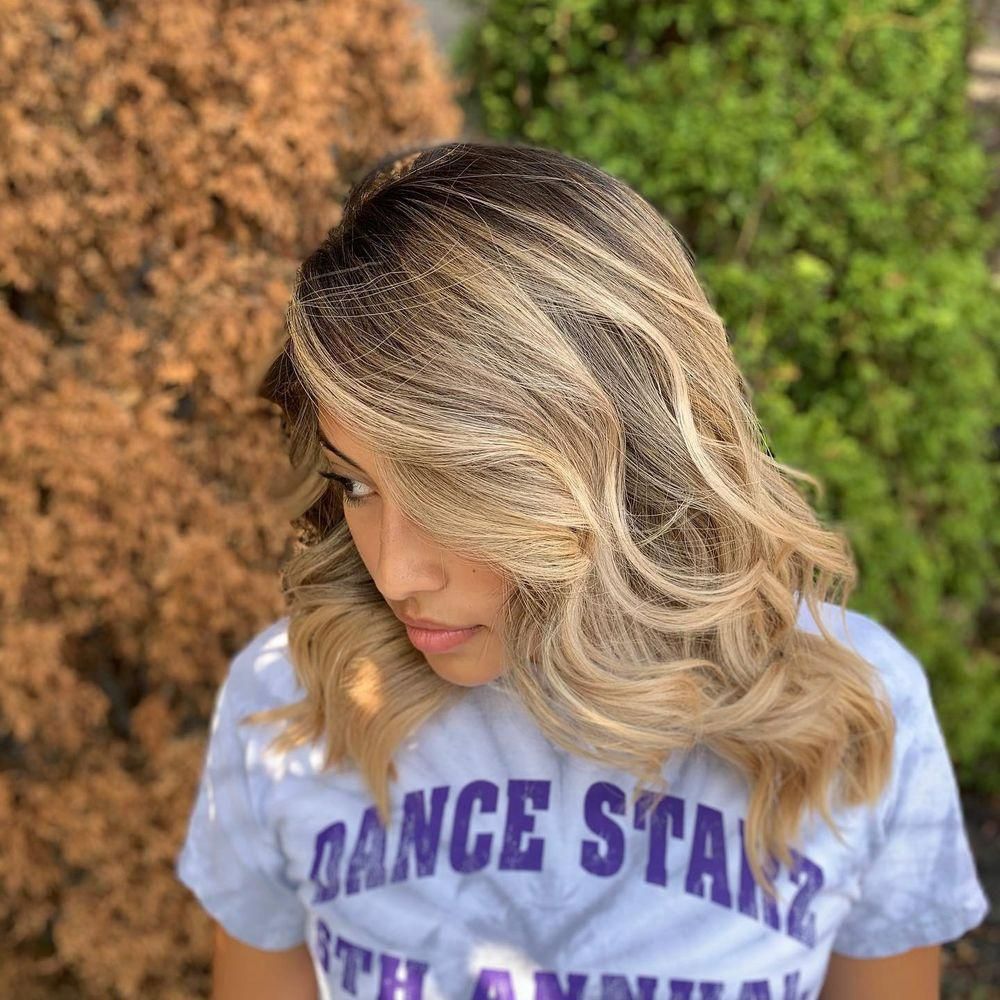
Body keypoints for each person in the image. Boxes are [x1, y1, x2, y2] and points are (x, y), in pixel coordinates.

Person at [175, 141, 989, 999]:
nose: (395, 570)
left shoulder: (849, 711)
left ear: (630, 462)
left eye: (453, 490)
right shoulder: (296, 698)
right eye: (357, 484)